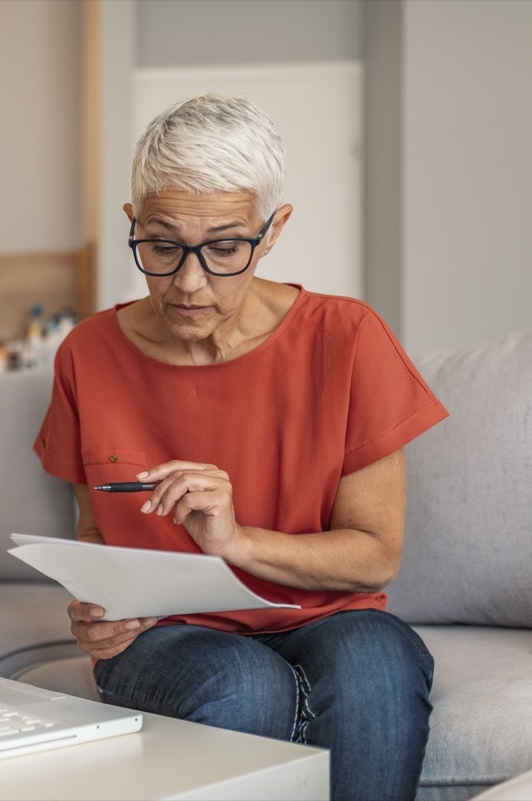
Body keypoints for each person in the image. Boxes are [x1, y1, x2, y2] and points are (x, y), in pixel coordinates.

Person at [33, 94, 447, 801]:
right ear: (133, 226)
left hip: (327, 617)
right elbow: (96, 529)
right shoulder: (87, 354)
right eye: (162, 246)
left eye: (224, 248)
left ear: (273, 230)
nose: (189, 283)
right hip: (168, 635)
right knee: (242, 682)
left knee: (376, 663)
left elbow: (376, 552)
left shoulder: (347, 339)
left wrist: (237, 542)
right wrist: (96, 607)